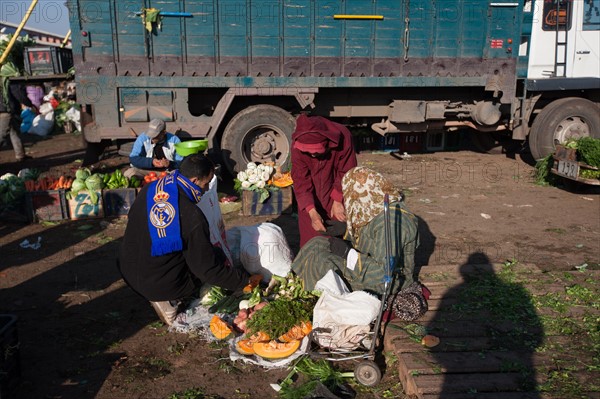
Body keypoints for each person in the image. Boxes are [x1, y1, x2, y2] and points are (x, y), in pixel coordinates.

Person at [118, 154, 250, 325]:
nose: (205, 189)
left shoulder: (153, 188)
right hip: (155, 284)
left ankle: (155, 287)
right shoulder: (192, 217)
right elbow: (207, 270)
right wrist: (244, 281)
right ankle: (167, 301)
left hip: (128, 269)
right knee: (210, 259)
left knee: (201, 249)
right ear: (194, 180)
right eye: (205, 183)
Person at [291, 166, 420, 296]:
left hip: (390, 282)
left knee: (322, 261)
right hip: (371, 263)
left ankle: (312, 298)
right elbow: (372, 238)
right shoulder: (376, 205)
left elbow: (382, 275)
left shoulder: (391, 223)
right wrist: (346, 231)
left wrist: (348, 254)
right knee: (317, 243)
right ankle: (291, 282)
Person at [291, 114, 357, 248]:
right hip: (311, 191)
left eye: (316, 150)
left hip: (337, 184)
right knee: (311, 237)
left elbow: (347, 171)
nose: (313, 154)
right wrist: (312, 212)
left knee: (340, 227)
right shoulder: (297, 146)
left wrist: (338, 199)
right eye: (308, 152)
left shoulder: (343, 136)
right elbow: (301, 181)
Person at [0, 80, 34, 162]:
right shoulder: (12, 79)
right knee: (2, 134)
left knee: (14, 131)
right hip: (6, 109)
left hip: (5, 108)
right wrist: (30, 104)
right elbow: (18, 94)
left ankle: (20, 154)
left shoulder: (4, 77)